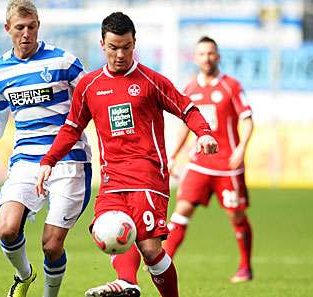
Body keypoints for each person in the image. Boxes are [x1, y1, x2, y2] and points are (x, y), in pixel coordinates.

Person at [36, 12, 218, 297]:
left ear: (135, 44)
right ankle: (127, 283)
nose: (120, 54)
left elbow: (186, 108)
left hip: (148, 175)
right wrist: (48, 162)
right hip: (112, 177)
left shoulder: (150, 80)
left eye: (126, 47)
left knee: (149, 248)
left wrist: (204, 132)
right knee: (109, 232)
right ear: (102, 44)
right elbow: (71, 128)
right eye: (113, 47)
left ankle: (140, 286)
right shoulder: (89, 86)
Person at [0, 1, 92, 297]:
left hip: (68, 160)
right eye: (19, 27)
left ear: (38, 26)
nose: (26, 34)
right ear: (7, 29)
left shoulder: (64, 62)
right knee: (7, 228)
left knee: (51, 243)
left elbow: (91, 101)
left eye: (31, 27)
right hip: (26, 161)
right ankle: (25, 275)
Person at [163, 36, 254, 283]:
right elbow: (185, 125)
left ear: (218, 56)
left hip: (228, 165)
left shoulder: (231, 87)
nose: (207, 58)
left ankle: (245, 267)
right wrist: (173, 155)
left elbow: (246, 119)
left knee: (236, 216)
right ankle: (163, 264)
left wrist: (241, 149)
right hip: (199, 163)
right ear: (195, 58)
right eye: (202, 54)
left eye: (211, 53)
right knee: (181, 210)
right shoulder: (190, 89)